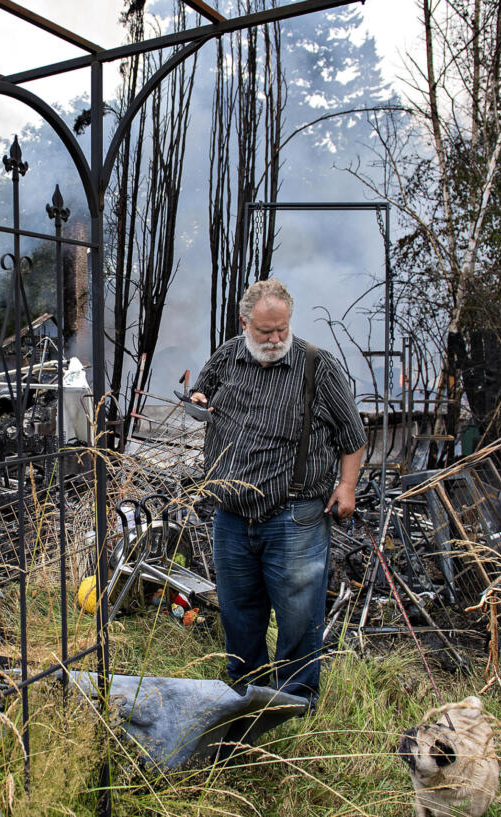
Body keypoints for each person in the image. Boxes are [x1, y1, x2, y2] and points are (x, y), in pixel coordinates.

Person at [190, 278, 365, 703]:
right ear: (244, 322)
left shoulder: (316, 366)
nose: (274, 339)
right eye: (265, 331)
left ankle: (294, 701)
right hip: (231, 516)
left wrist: (346, 486)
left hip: (295, 517)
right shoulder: (227, 356)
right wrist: (197, 397)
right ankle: (246, 696)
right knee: (238, 613)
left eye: (282, 329)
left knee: (298, 617)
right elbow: (202, 390)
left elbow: (353, 435)